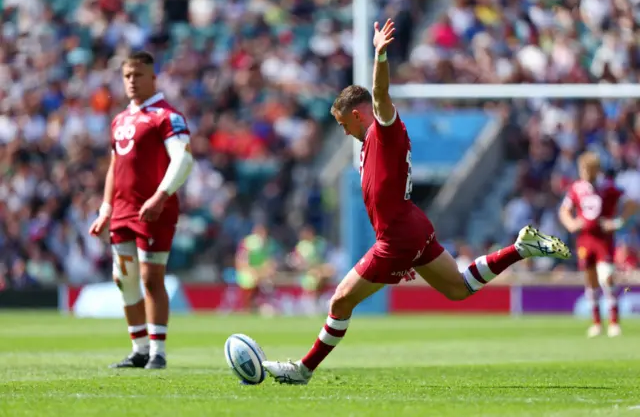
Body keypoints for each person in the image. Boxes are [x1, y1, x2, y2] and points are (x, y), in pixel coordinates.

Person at [261, 19, 571, 385]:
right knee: (457, 288)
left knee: (340, 302)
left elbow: (378, 94)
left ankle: (303, 370)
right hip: (412, 223)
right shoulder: (371, 142)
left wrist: (380, 54)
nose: (344, 131)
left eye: (345, 123)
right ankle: (521, 248)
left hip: (396, 236)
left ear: (358, 114)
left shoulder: (383, 128)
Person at [89, 51, 194, 369]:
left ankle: (158, 352)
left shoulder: (167, 116)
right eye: (127, 76)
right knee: (124, 278)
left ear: (153, 78)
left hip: (154, 210)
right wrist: (105, 208)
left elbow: (184, 160)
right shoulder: (120, 119)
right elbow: (114, 167)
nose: (132, 81)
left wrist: (160, 196)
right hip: (121, 211)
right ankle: (138, 349)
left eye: (138, 75)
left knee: (150, 278)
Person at [558, 152, 638, 338]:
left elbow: (632, 204)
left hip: (603, 239)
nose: (584, 173)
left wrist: (618, 222)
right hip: (585, 239)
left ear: (595, 170)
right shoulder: (577, 188)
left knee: (607, 278)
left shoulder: (608, 186)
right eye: (582, 169)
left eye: (587, 169)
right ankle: (596, 323)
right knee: (591, 280)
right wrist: (571, 223)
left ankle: (614, 322)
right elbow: (564, 210)